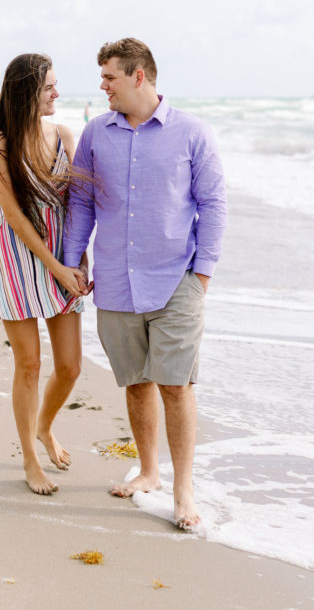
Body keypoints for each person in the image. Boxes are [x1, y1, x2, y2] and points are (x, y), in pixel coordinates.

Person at [63, 38, 226, 530]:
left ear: (139, 76)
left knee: (176, 385)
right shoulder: (95, 134)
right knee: (136, 383)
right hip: (114, 279)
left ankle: (183, 489)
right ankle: (149, 473)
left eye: (109, 77)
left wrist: (202, 274)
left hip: (177, 278)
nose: (102, 85)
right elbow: (82, 204)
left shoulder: (192, 132)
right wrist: (75, 262)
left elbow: (213, 203)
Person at [0, 53, 90, 495]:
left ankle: (45, 426)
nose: (57, 93)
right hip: (20, 260)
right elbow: (15, 217)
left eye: (56, 85)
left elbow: (78, 205)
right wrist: (54, 264)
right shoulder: (1, 143)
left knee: (71, 366)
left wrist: (80, 261)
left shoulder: (63, 134)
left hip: (63, 256)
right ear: (26, 92)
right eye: (48, 87)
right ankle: (29, 459)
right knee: (29, 363)